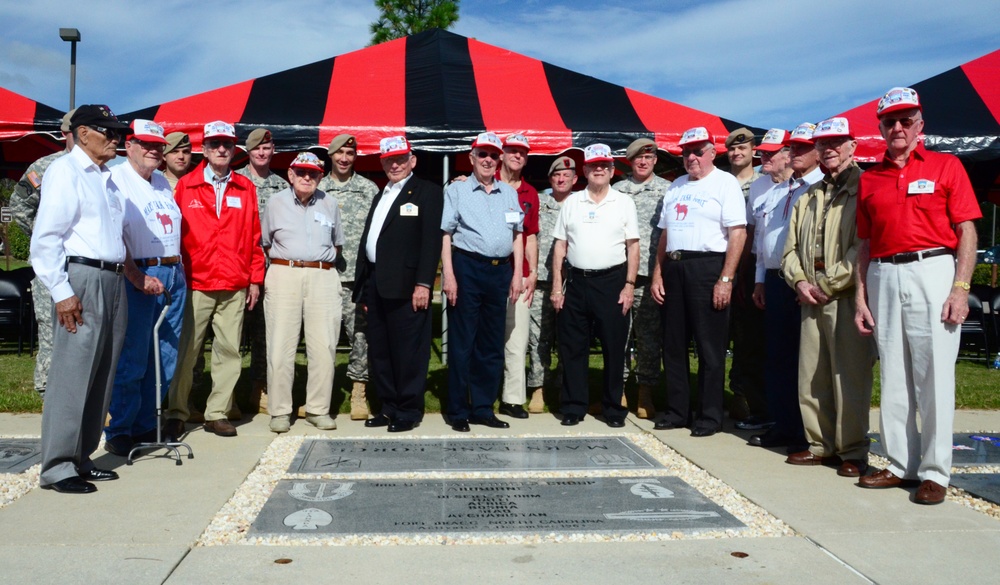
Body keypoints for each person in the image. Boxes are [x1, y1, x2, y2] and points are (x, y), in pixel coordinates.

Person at [855, 87, 980, 505]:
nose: (898, 127)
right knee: (892, 374)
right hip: (883, 273)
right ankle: (896, 463)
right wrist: (860, 297)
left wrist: (960, 289)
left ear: (920, 124)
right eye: (890, 121)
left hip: (934, 269)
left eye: (906, 120)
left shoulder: (947, 166)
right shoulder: (870, 177)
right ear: (880, 127)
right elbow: (864, 244)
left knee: (934, 376)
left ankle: (934, 471)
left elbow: (967, 232)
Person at [30, 105, 138, 493]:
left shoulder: (107, 178)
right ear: (83, 133)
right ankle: (57, 465)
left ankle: (81, 455)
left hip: (111, 278)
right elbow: (45, 241)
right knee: (73, 374)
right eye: (107, 131)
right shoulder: (66, 171)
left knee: (102, 372)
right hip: (82, 277)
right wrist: (62, 294)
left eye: (117, 131)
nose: (115, 138)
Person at [782, 117, 875, 477]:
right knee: (812, 374)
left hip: (848, 295)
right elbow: (788, 249)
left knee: (848, 376)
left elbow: (863, 246)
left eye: (836, 142)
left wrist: (829, 283)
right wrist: (801, 282)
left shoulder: (865, 186)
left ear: (853, 145)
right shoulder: (808, 195)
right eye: (822, 143)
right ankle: (820, 444)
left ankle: (852, 449)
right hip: (810, 297)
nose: (829, 148)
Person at [164, 121, 265, 440]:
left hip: (234, 282)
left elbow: (254, 236)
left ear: (234, 149)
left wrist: (255, 278)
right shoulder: (187, 186)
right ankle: (177, 412)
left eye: (226, 144)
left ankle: (217, 412)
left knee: (229, 351)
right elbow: (175, 237)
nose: (221, 149)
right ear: (204, 149)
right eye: (215, 143)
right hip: (196, 281)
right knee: (187, 352)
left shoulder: (245, 188)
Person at [651, 127, 747, 437]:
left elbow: (738, 232)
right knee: (674, 344)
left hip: (708, 266)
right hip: (675, 266)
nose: (690, 157)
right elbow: (665, 233)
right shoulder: (676, 185)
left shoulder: (725, 183)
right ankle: (678, 410)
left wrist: (726, 279)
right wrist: (657, 272)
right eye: (686, 152)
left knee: (709, 347)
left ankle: (709, 416)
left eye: (697, 151)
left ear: (711, 153)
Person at [102, 120, 187, 456]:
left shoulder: (163, 183)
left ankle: (145, 425)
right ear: (130, 145)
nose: (154, 150)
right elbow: (113, 234)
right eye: (147, 144)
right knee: (133, 356)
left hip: (172, 271)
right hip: (139, 271)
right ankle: (120, 428)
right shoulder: (117, 180)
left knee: (165, 355)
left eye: (159, 145)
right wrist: (136, 275)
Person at [355, 136, 443, 432]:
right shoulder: (382, 194)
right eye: (389, 159)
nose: (394, 164)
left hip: (408, 285)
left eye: (400, 159)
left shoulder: (427, 192)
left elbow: (431, 243)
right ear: (381, 162)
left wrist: (423, 284)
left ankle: (408, 409)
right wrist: (365, 285)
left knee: (408, 351)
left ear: (412, 160)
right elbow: (372, 241)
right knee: (381, 350)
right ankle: (388, 406)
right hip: (378, 282)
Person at [747, 123, 825, 450]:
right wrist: (760, 280)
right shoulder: (777, 190)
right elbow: (765, 242)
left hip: (806, 282)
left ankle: (809, 432)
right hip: (776, 279)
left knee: (806, 360)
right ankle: (784, 424)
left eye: (801, 148)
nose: (794, 153)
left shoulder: (821, 186)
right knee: (778, 357)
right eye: (791, 147)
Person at [551, 144, 639, 427]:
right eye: (593, 165)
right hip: (576, 283)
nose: (599, 169)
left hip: (612, 282)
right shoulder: (573, 203)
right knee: (573, 347)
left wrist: (629, 285)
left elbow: (633, 247)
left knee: (614, 347)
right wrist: (556, 286)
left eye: (604, 165)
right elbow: (560, 246)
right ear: (585, 171)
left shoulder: (624, 202)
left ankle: (613, 408)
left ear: (612, 171)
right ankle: (574, 406)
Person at [441, 132, 523, 432]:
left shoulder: (510, 194)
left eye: (493, 155)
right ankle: (458, 410)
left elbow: (517, 235)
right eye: (482, 155)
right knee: (463, 342)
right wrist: (448, 275)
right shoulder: (457, 191)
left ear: (499, 159)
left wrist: (516, 274)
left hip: (500, 271)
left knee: (491, 343)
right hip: (467, 268)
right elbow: (446, 235)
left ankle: (483, 408)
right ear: (471, 158)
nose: (488, 160)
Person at [261, 152, 343, 433]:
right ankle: (280, 411)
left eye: (314, 173)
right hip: (285, 273)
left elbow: (338, 244)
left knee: (324, 346)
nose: (308, 178)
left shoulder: (330, 203)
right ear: (291, 175)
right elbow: (265, 242)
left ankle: (318, 409)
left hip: (323, 274)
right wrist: (291, 262)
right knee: (280, 346)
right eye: (302, 172)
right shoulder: (275, 203)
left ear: (321, 176)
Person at [9, 108, 75, 401]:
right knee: (51, 334)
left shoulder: (100, 170)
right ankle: (48, 393)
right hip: (51, 269)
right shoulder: (46, 167)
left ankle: (75, 396)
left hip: (84, 268)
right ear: (65, 134)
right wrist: (43, 241)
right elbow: (19, 206)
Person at [316, 134, 380, 420]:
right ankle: (320, 396)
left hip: (357, 278)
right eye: (339, 153)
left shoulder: (369, 189)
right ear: (330, 155)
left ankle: (358, 392)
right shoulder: (316, 188)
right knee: (321, 339)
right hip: (324, 276)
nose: (344, 158)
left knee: (360, 337)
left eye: (350, 154)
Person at [741, 128, 794, 431]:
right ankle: (766, 412)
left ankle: (791, 419)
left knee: (790, 351)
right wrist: (757, 280)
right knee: (762, 349)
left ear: (788, 154)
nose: (764, 156)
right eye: (762, 151)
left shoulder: (807, 184)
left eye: (771, 152)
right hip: (765, 275)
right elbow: (757, 237)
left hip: (795, 277)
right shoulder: (759, 187)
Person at [613, 138, 669, 419]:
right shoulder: (617, 191)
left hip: (651, 276)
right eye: (637, 158)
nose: (643, 162)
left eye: (648, 157)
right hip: (619, 275)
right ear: (630, 161)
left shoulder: (667, 191)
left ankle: (645, 392)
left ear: (656, 160)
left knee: (649, 338)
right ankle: (619, 390)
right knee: (619, 336)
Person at [236, 128, 289, 414]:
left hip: (269, 270)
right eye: (257, 148)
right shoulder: (234, 181)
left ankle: (260, 387)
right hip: (236, 267)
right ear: (248, 151)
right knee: (231, 335)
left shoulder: (282, 186)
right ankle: (227, 393)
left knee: (264, 333)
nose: (262, 153)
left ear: (273, 151)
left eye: (267, 148)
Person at [524, 156, 579, 413]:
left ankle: (565, 384)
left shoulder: (583, 203)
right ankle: (538, 387)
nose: (561, 179)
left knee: (570, 337)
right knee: (538, 339)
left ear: (575, 179)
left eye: (566, 176)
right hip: (543, 281)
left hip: (574, 283)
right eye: (556, 176)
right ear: (550, 179)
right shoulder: (539, 202)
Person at [499, 133, 540, 419]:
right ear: (501, 154)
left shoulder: (530, 193)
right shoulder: (481, 185)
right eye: (512, 151)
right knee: (486, 338)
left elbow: (532, 236)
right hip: (487, 272)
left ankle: (512, 399)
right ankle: (482, 393)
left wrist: (533, 272)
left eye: (522, 152)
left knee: (517, 338)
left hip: (520, 277)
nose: (517, 156)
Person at [725, 127, 764, 423]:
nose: (737, 153)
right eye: (733, 150)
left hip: (751, 268)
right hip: (718, 267)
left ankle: (745, 396)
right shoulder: (720, 182)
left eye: (743, 148)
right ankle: (721, 395)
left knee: (749, 337)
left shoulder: (764, 183)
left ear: (753, 150)